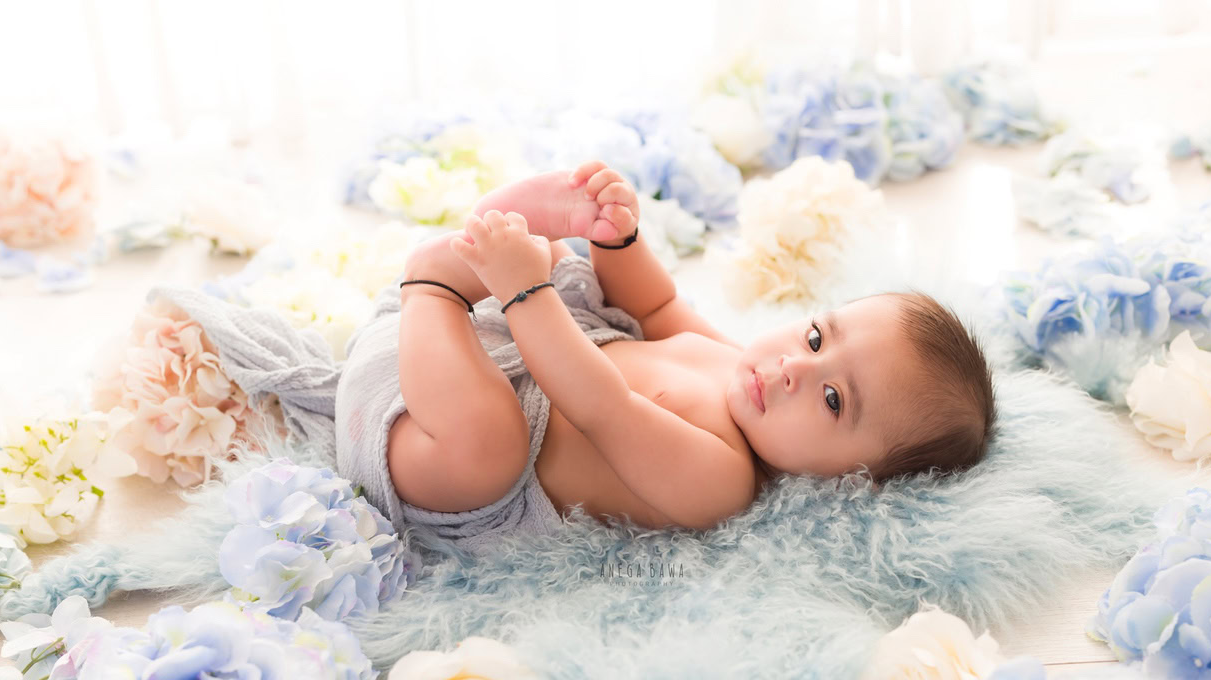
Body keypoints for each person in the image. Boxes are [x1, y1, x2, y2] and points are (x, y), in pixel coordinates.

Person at [355, 161, 995, 541]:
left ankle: (432, 283)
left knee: (487, 445)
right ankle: (485, 243)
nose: (793, 369)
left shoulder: (719, 482)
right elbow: (655, 309)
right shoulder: (738, 367)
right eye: (815, 337)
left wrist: (524, 293)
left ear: (853, 481)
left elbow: (600, 404)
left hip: (424, 431)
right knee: (561, 263)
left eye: (833, 399)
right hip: (489, 344)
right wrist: (618, 241)